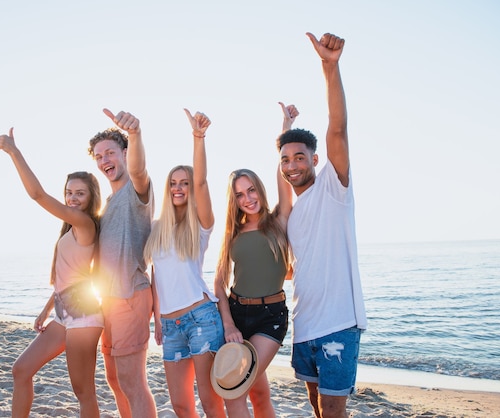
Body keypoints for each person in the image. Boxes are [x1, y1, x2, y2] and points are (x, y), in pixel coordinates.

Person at [277, 32, 368, 418]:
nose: (293, 164)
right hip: (305, 323)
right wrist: (284, 126)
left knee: (333, 410)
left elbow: (337, 130)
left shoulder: (334, 188)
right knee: (316, 407)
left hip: (337, 323)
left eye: (300, 157)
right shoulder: (290, 212)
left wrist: (330, 68)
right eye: (286, 159)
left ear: (315, 161)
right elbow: (279, 172)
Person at [0, 128, 103, 418]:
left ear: (92, 197)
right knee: (21, 369)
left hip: (84, 316)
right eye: (69, 193)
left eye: (80, 193)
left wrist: (14, 152)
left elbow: (36, 194)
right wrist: (47, 310)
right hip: (63, 312)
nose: (73, 198)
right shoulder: (69, 229)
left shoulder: (85, 224)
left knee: (83, 392)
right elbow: (68, 277)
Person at [213, 103, 297, 417]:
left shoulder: (279, 221)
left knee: (235, 390)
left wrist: (285, 127)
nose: (248, 198)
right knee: (259, 395)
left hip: (269, 317)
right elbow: (219, 284)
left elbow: (282, 174)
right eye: (240, 194)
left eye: (251, 190)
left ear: (259, 190)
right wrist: (229, 323)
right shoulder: (231, 234)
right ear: (233, 200)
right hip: (236, 314)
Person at [144, 109, 225, 418]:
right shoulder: (156, 227)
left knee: (209, 399)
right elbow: (155, 275)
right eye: (173, 183)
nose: (178, 188)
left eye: (184, 183)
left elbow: (203, 183)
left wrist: (198, 138)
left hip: (201, 317)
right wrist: (156, 318)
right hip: (170, 324)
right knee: (180, 404)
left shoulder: (201, 225)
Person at [87, 109, 157, 418]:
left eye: (110, 153)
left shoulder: (135, 190)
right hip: (108, 301)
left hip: (130, 297)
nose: (104, 161)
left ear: (125, 153)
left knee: (132, 382)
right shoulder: (107, 203)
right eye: (99, 156)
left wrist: (136, 133)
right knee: (114, 379)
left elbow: (140, 171)